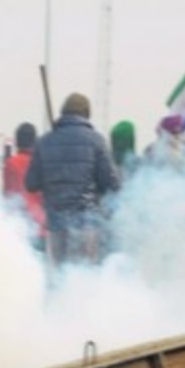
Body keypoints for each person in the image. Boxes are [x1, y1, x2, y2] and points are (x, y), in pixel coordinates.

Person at [24, 92, 120, 268]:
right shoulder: (96, 140)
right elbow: (112, 183)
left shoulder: (45, 141)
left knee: (60, 281)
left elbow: (31, 183)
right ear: (86, 114)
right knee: (84, 279)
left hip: (56, 226)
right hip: (87, 223)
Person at [2, 122, 46, 250]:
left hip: (22, 226)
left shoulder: (11, 163)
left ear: (17, 141)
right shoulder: (42, 161)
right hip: (43, 225)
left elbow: (8, 196)